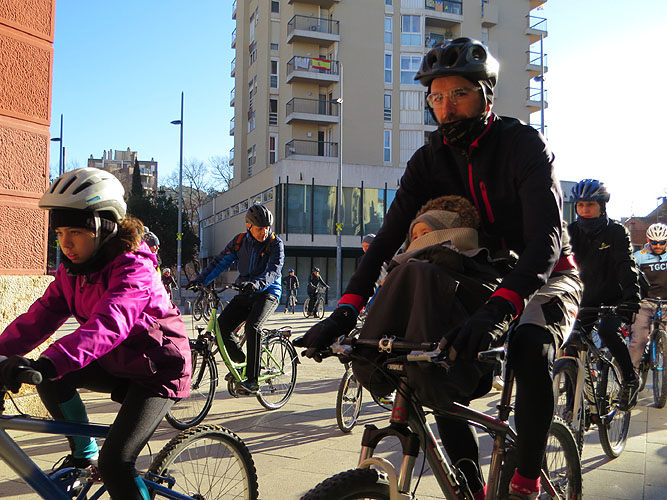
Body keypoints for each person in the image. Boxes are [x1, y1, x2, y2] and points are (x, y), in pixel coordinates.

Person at [295, 37, 582, 500]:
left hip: (546, 274)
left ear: (486, 95)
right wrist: (345, 310)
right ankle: (471, 490)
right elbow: (387, 238)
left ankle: (526, 483)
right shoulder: (428, 159)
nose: (446, 108)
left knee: (529, 345)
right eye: (437, 97)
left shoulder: (523, 146)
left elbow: (544, 242)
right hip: (477, 275)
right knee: (433, 362)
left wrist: (500, 310)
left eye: (459, 94)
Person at [0, 167, 191, 500]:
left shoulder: (135, 269)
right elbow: (39, 318)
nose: (65, 243)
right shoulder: (73, 272)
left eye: (76, 231)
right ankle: (84, 453)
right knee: (52, 379)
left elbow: (109, 324)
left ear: (105, 228)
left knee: (116, 463)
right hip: (116, 362)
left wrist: (50, 361)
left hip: (158, 370)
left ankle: (106, 463)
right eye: (59, 232)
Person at [354, 195, 511, 497]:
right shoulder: (406, 269)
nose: (418, 240)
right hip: (411, 360)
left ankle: (478, 487)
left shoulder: (472, 264)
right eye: (414, 236)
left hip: (454, 362)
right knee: (445, 415)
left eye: (426, 233)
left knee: (449, 415)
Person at [187, 204, 284, 395]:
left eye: (267, 228)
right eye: (260, 228)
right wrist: (199, 281)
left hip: (268, 292)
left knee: (252, 327)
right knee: (222, 326)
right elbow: (219, 262)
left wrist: (257, 284)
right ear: (249, 226)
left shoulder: (275, 244)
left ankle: (253, 380)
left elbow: (273, 271)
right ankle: (242, 363)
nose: (264, 232)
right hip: (246, 291)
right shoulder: (239, 242)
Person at [567, 179, 641, 409]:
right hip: (583, 297)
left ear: (602, 206)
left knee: (608, 332)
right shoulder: (571, 232)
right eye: (580, 205)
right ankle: (571, 406)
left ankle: (630, 379)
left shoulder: (616, 231)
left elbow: (626, 265)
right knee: (571, 345)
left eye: (590, 204)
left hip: (613, 298)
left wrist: (631, 299)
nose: (584, 209)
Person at [630, 222, 667, 367]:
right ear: (648, 240)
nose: (658, 246)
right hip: (645, 303)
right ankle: (632, 374)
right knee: (638, 340)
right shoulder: (639, 257)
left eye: (662, 242)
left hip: (665, 303)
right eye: (654, 242)